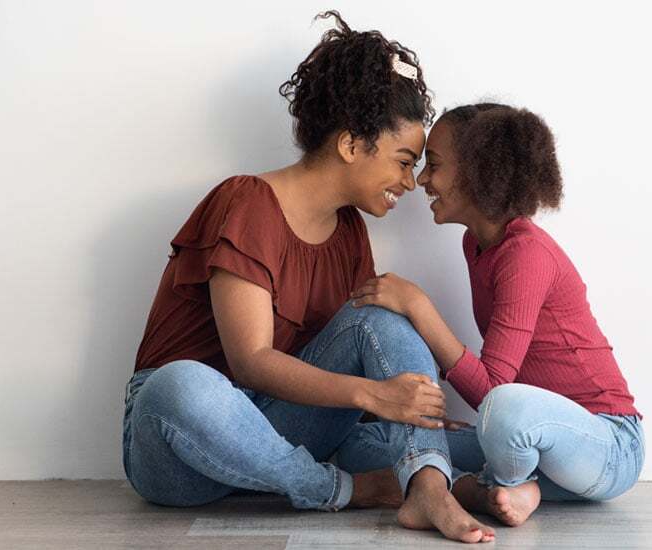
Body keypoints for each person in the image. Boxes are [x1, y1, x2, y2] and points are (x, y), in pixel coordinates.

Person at [121, 13, 494, 543]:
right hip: (180, 446)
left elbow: (365, 352)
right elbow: (251, 362)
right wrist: (374, 396)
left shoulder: (349, 231)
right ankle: (342, 489)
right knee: (178, 384)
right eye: (403, 161)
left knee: (387, 317)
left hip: (283, 432)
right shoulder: (247, 202)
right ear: (351, 145)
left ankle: (427, 484)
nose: (410, 182)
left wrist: (403, 417)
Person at [338, 103, 644, 527]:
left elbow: (495, 391)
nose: (423, 179)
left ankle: (509, 482)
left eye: (435, 166)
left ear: (478, 172)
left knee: (504, 409)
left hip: (607, 443)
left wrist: (418, 306)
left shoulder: (526, 254)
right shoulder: (477, 245)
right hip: (521, 433)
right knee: (362, 442)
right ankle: (490, 490)